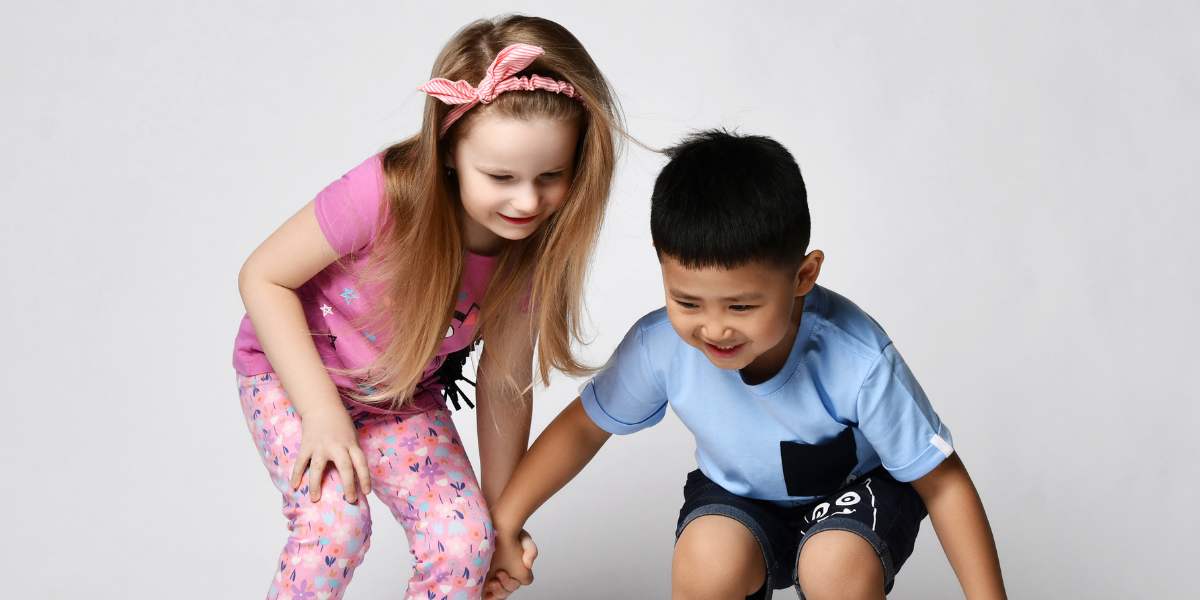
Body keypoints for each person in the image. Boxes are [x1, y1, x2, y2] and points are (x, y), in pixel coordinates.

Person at [483, 131, 1007, 600]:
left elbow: (944, 483)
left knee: (832, 564)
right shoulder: (659, 345)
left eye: (741, 306)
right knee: (706, 559)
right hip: (741, 497)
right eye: (688, 303)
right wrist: (505, 523)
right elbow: (583, 428)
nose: (714, 329)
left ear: (803, 276)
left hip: (855, 493)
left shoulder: (858, 359)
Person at [233, 15, 623, 600]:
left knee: (467, 542)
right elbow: (263, 277)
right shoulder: (386, 193)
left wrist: (502, 520)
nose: (526, 200)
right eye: (500, 176)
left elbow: (504, 383)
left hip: (401, 397)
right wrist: (320, 412)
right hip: (294, 378)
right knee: (335, 528)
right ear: (448, 152)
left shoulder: (531, 255)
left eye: (550, 177)